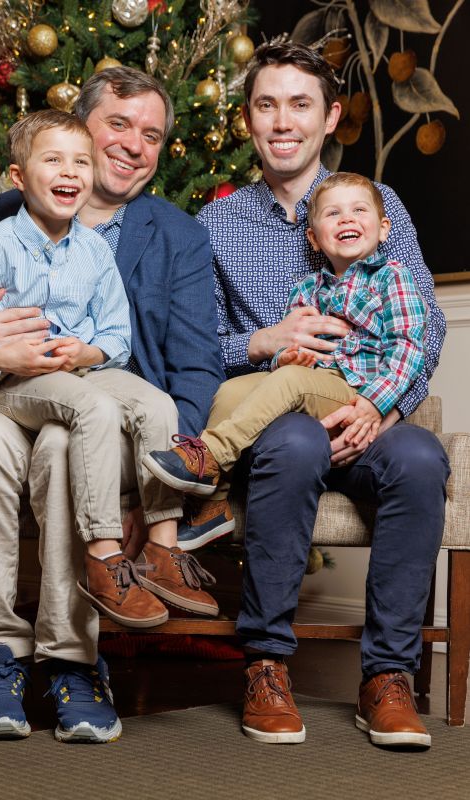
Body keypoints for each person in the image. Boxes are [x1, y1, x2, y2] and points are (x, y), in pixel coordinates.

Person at [0, 67, 224, 742]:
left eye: (151, 134)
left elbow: (193, 366)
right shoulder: (3, 219)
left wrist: (159, 469)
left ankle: (72, 660)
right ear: (79, 130)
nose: (133, 144)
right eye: (118, 124)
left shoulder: (176, 234)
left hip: (110, 419)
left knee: (70, 444)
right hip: (15, 396)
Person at [192, 42, 449, 748]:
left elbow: (421, 326)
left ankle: (386, 678)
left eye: (300, 104)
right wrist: (263, 342)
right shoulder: (216, 225)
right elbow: (194, 351)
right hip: (276, 422)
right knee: (296, 440)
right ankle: (267, 665)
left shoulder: (377, 203)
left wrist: (383, 411)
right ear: (248, 119)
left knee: (421, 459)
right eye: (267, 104)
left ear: (331, 116)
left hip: (369, 406)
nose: (283, 121)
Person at [143, 172, 428, 538]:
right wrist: (288, 358)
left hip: (356, 389)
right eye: (333, 213)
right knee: (231, 391)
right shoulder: (308, 289)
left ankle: (210, 455)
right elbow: (287, 361)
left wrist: (375, 403)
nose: (347, 219)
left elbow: (408, 347)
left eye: (359, 210)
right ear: (313, 238)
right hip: (313, 381)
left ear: (383, 228)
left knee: (292, 381)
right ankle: (214, 504)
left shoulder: (393, 278)